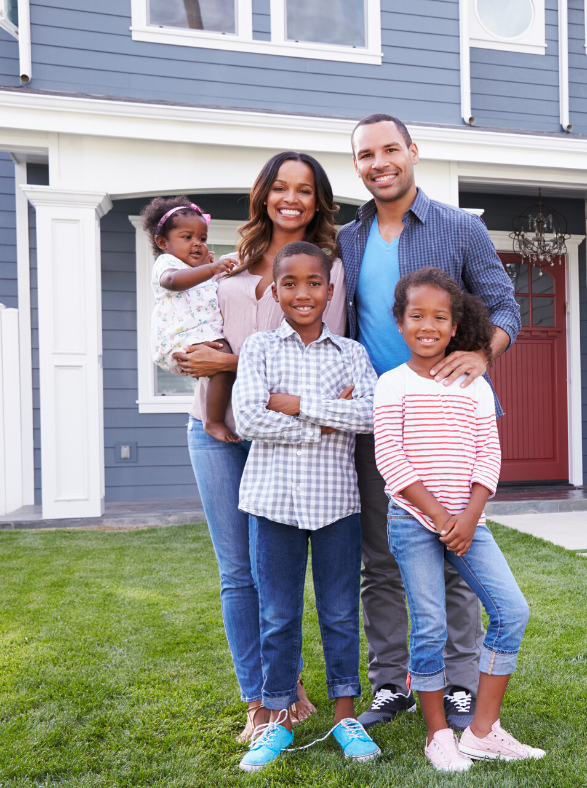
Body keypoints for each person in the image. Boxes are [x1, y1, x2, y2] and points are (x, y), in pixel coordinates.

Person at [339, 113, 521, 731]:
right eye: (366, 154)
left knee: (458, 555)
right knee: (383, 559)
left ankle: (462, 685)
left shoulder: (459, 227)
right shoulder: (347, 238)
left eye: (390, 149)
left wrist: (482, 352)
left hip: (453, 419)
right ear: (357, 165)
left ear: (413, 152)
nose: (379, 162)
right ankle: (392, 683)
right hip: (382, 420)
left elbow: (505, 306)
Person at [173, 152, 347, 742]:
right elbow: (192, 338)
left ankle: (285, 682)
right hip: (216, 429)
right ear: (263, 195)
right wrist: (194, 357)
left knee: (282, 572)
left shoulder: (331, 270)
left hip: (287, 440)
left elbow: (323, 362)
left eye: (303, 189)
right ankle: (262, 696)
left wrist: (227, 360)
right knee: (237, 573)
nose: (290, 198)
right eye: (279, 187)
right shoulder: (226, 263)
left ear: (318, 199)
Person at [373, 268, 543, 771]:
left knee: (511, 612)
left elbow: (488, 457)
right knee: (430, 626)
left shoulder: (476, 385)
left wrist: (469, 517)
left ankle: (482, 732)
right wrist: (442, 517)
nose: (428, 325)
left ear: (454, 326)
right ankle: (437, 735)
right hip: (413, 520)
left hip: (470, 521)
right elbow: (392, 462)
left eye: (439, 317)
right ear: (400, 324)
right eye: (416, 315)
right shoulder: (391, 385)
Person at [233, 242, 380, 771]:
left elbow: (367, 415)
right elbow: (248, 418)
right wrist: (325, 417)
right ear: (275, 291)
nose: (302, 293)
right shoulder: (258, 350)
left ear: (330, 289)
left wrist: (294, 406)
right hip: (272, 503)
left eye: (314, 283)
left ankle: (346, 716)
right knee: (277, 614)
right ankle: (275, 719)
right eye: (289, 283)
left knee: (341, 612)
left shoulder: (352, 354)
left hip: (336, 503)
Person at [142, 197, 238, 443]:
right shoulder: (167, 264)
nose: (197, 244)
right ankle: (213, 421)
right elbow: (173, 282)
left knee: (223, 364)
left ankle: (216, 417)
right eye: (187, 238)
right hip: (181, 336)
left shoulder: (198, 270)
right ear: (163, 242)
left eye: (202, 239)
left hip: (201, 333)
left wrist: (206, 268)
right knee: (222, 364)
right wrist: (211, 268)